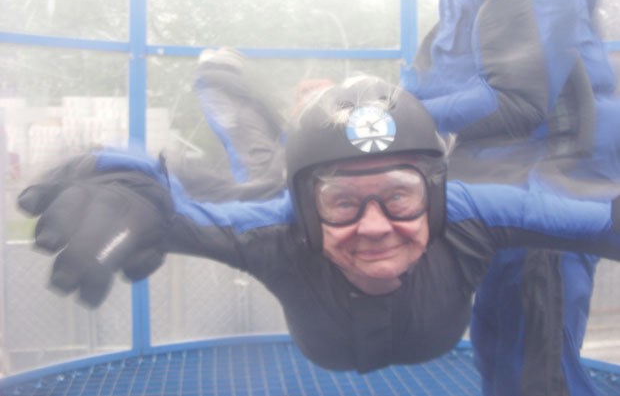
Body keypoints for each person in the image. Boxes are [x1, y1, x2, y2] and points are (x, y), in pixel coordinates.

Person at [18, 76, 620, 375]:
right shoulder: (278, 229)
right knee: (256, 179)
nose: (376, 227)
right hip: (279, 199)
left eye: (401, 198)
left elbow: (594, 219)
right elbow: (174, 208)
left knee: (261, 178)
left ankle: (253, 122)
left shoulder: (465, 212)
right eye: (343, 204)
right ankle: (237, 106)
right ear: (305, 212)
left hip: (318, 261)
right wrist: (121, 183)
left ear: (435, 195)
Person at [402, 0, 618, 394]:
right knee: (498, 342)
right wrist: (371, 108)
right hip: (495, 181)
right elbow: (434, 71)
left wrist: (400, 119)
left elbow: (518, 99)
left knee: (537, 364)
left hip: (547, 180)